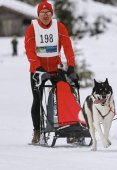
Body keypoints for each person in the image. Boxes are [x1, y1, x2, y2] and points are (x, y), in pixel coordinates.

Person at [24, 0, 78, 144]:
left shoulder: (59, 27)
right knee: (37, 99)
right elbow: (30, 51)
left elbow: (67, 47)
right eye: (42, 13)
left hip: (55, 68)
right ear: (38, 15)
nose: (46, 16)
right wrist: (38, 68)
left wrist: (71, 66)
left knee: (66, 95)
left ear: (52, 14)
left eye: (48, 13)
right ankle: (37, 131)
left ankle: (70, 128)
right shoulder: (32, 28)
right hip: (38, 70)